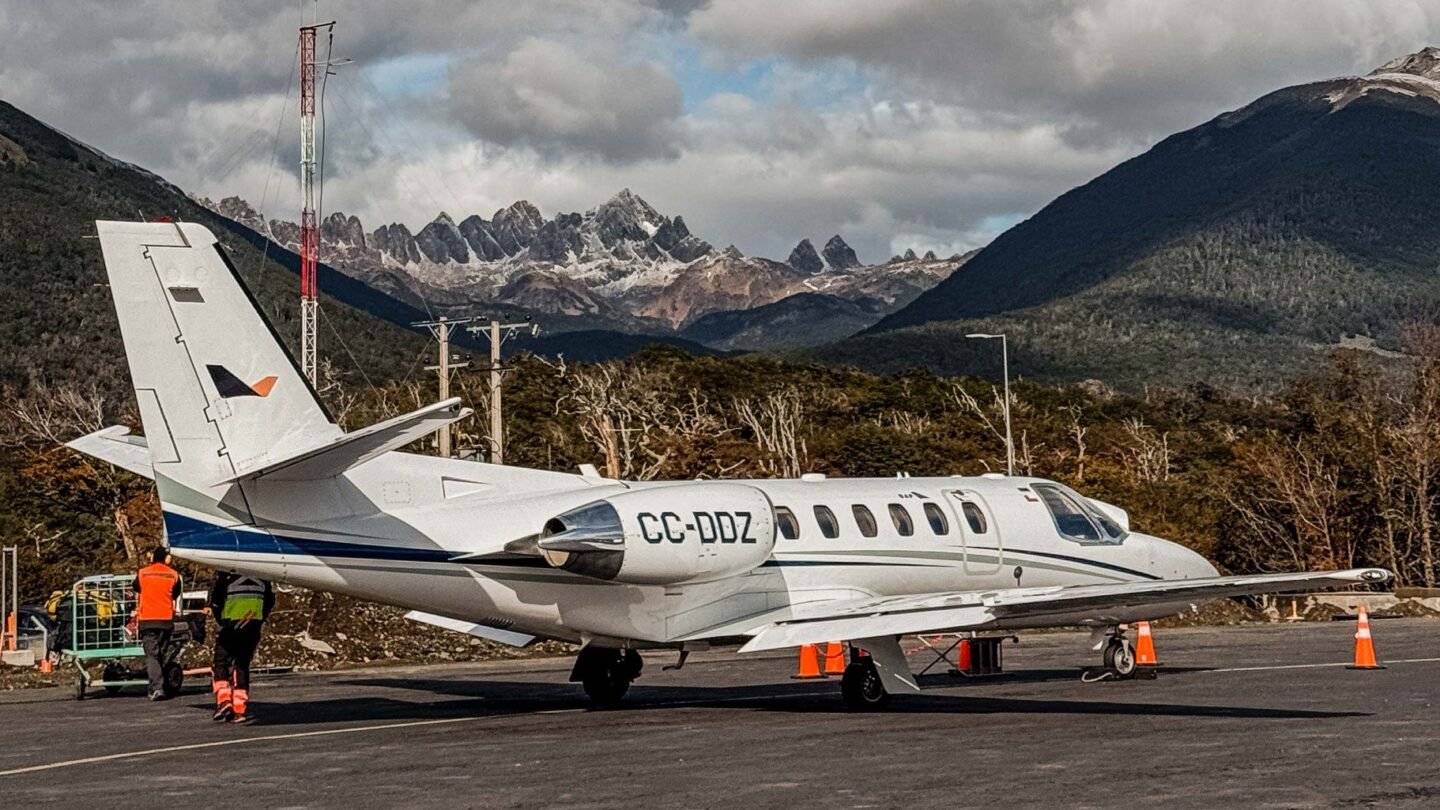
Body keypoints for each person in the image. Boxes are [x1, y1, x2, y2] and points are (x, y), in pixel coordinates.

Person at [208, 571, 274, 724]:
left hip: (232, 622)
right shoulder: (262, 575)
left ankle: (224, 701)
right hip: (253, 623)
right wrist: (260, 617)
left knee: (220, 661)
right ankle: (240, 709)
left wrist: (221, 620)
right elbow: (270, 599)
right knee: (242, 664)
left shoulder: (227, 575)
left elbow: (216, 599)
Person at [135, 547, 181, 701]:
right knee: (160, 652)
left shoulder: (143, 573)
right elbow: (175, 594)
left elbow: (135, 587)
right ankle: (158, 684)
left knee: (152, 655)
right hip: (165, 620)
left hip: (147, 619)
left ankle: (156, 688)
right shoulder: (173, 575)